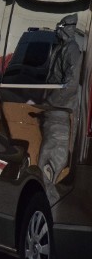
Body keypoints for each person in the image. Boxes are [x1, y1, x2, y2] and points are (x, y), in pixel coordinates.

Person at [38, 14, 83, 184]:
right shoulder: (60, 48)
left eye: (62, 26)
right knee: (44, 160)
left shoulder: (72, 50)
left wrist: (51, 103)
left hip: (60, 115)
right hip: (52, 113)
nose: (59, 29)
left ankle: (52, 201)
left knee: (52, 161)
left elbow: (71, 84)